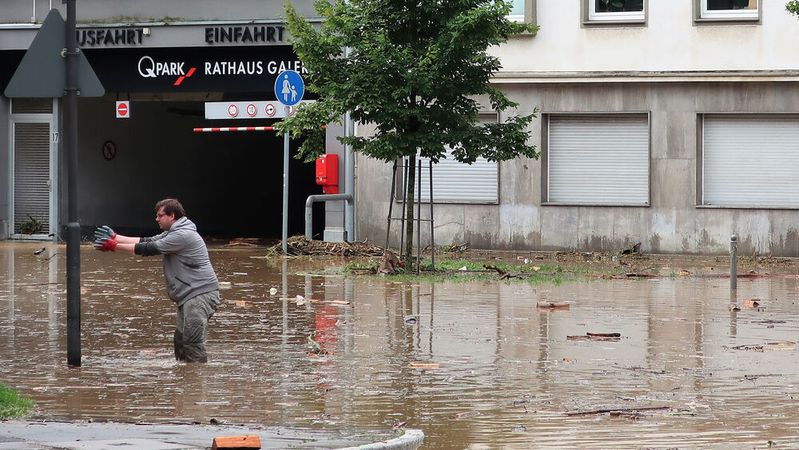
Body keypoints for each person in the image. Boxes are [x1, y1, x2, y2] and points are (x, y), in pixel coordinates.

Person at [93, 198, 221, 363]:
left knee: (192, 343)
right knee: (180, 342)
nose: (156, 219)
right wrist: (116, 237)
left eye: (160, 215)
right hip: (189, 295)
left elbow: (149, 249)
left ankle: (196, 383)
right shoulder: (174, 232)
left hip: (199, 294)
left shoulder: (182, 235)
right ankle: (185, 380)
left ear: (172, 216)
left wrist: (113, 246)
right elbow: (148, 241)